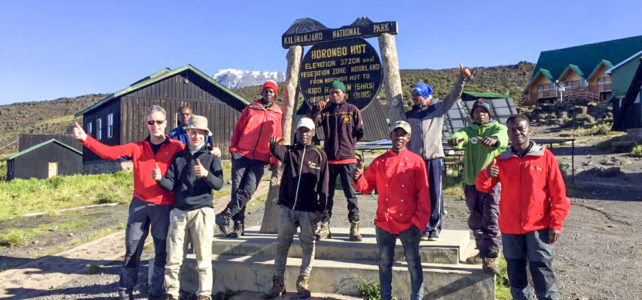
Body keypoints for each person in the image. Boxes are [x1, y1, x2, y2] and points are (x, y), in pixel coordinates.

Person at [72, 105, 184, 300]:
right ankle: (125, 293)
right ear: (146, 124)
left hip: (163, 207)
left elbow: (192, 156)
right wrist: (85, 139)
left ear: (166, 123)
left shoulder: (176, 147)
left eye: (158, 122)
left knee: (160, 253)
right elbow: (109, 152)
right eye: (151, 122)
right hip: (139, 205)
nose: (154, 125)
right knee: (132, 251)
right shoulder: (137, 147)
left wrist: (213, 152)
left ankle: (156, 294)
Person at [476, 115, 570, 300]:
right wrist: (487, 174)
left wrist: (556, 223)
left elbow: (559, 194)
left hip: (539, 227)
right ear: (508, 133)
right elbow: (482, 186)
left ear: (529, 130)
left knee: (542, 272)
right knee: (516, 276)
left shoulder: (545, 157)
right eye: (512, 129)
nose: (517, 132)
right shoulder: (501, 159)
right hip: (510, 228)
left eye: (521, 128)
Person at [353, 120, 431, 300]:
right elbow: (366, 186)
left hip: (409, 224)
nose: (399, 137)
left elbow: (424, 195)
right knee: (384, 264)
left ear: (409, 138)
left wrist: (419, 223)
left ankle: (416, 297)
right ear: (391, 136)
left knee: (413, 264)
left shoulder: (416, 162)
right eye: (396, 133)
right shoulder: (380, 161)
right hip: (384, 223)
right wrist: (358, 178)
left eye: (403, 134)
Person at [153, 115, 224, 300]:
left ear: (206, 135)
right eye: (193, 132)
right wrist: (160, 179)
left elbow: (219, 184)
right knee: (174, 258)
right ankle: (171, 293)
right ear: (187, 133)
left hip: (202, 212)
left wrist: (206, 174)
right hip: (179, 213)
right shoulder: (178, 158)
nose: (196, 137)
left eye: (201, 133)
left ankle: (204, 294)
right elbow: (171, 184)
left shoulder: (212, 157)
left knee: (203, 258)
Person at [405, 64, 472, 241]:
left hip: (434, 158)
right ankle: (422, 226)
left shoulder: (437, 109)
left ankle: (434, 228)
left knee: (435, 193)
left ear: (426, 97)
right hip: (415, 161)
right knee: (418, 195)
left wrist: (462, 78)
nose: (414, 98)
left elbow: (454, 96)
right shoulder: (409, 114)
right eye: (413, 95)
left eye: (418, 95)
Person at [264, 117, 329, 299]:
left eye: (308, 130)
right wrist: (272, 145)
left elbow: (325, 184)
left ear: (313, 133)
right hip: (287, 208)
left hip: (309, 210)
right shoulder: (290, 152)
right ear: (296, 133)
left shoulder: (320, 155)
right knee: (281, 245)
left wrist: (321, 210)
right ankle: (278, 283)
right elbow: (277, 151)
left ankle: (303, 280)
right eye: (301, 130)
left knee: (308, 245)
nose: (304, 134)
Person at [448, 99, 508, 275]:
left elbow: (503, 139)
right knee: (475, 219)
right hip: (470, 183)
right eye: (477, 111)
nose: (480, 114)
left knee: (491, 219)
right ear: (472, 114)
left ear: (489, 114)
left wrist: (494, 140)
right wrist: (455, 140)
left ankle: (492, 257)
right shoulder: (469, 130)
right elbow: (460, 136)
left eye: (484, 111)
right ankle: (481, 252)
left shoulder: (498, 129)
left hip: (491, 184)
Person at [217, 80, 283, 237]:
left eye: (271, 91)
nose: (268, 94)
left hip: (260, 157)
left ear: (275, 95)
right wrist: (234, 150)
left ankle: (224, 215)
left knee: (247, 190)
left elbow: (278, 137)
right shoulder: (250, 109)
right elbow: (238, 129)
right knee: (236, 191)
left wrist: (275, 159)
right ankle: (238, 226)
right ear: (262, 93)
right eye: (266, 91)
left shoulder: (278, 114)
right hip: (241, 154)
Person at [311, 80, 364, 241]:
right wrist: (317, 110)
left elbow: (359, 131)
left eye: (337, 92)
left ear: (344, 94)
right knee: (326, 195)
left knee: (351, 194)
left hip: (348, 160)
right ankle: (325, 226)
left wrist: (349, 145)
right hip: (330, 160)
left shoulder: (352, 110)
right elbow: (313, 126)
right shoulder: (325, 111)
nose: (334, 95)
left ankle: (354, 226)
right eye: (332, 92)